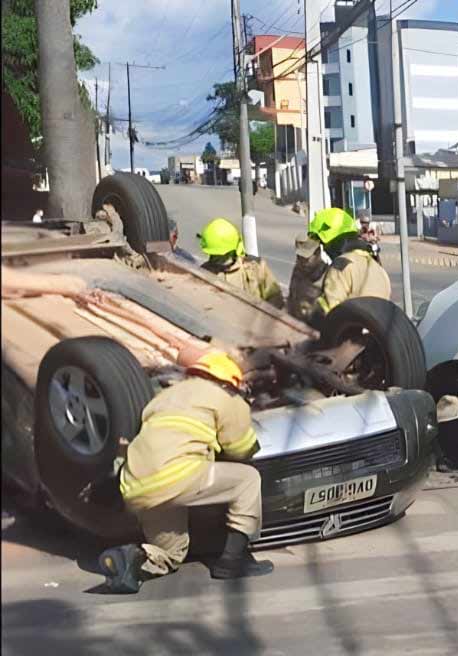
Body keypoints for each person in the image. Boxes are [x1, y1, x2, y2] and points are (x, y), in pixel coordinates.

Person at [98, 350, 273, 593]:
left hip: (137, 486)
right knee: (247, 480)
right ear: (229, 381)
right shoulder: (226, 397)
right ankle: (233, 561)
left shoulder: (163, 398)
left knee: (171, 554)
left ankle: (129, 559)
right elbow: (242, 450)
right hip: (179, 476)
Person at [287, 207, 391, 326]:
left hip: (351, 339)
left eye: (325, 244)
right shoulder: (378, 269)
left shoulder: (341, 267)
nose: (325, 250)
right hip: (378, 339)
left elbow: (328, 313)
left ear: (335, 242)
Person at [198, 217, 284, 309]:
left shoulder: (255, 267)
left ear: (233, 251)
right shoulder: (203, 273)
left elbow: (275, 298)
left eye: (222, 255)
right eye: (214, 255)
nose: (218, 259)